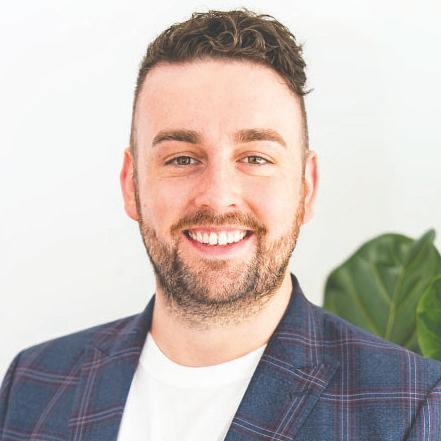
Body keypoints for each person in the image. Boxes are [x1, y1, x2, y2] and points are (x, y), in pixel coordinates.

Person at [1, 9, 441, 441]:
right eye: (181, 159)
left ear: (306, 188)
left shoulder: (410, 405)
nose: (217, 196)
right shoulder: (31, 384)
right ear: (130, 185)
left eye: (255, 158)